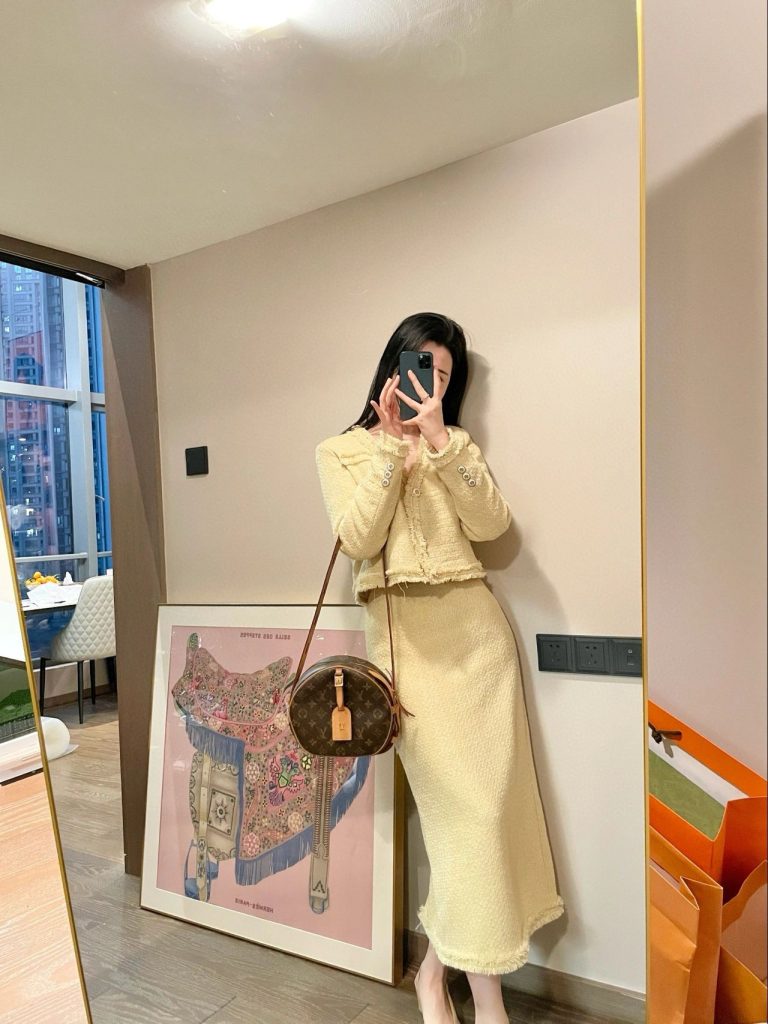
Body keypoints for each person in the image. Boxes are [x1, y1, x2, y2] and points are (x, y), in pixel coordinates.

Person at [315, 313, 565, 1024]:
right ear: (393, 365)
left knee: (490, 815)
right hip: (409, 654)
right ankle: (476, 994)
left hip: (479, 643)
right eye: (423, 366)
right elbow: (358, 538)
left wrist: (440, 445)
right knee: (466, 822)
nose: (432, 384)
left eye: (446, 377)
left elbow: (491, 527)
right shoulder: (340, 450)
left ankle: (439, 977)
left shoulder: (454, 444)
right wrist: (392, 452)